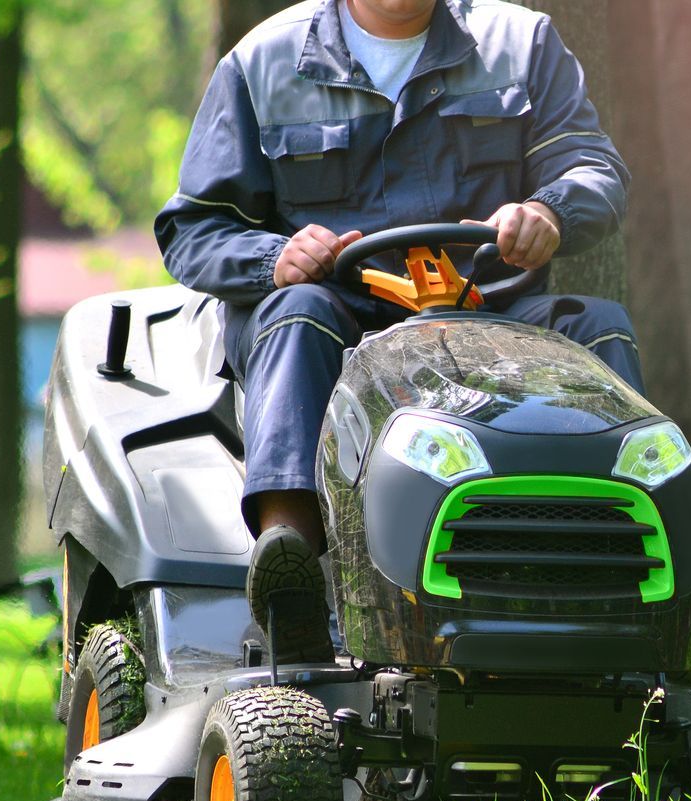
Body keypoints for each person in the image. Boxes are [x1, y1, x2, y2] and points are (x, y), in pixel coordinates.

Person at [155, 0, 637, 662]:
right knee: (298, 314)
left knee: (599, 329)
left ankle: (610, 573)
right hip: (339, 321)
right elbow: (194, 228)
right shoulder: (261, 64)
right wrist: (275, 259)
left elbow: (594, 171)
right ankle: (289, 565)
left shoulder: (520, 44)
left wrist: (548, 210)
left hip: (490, 317)